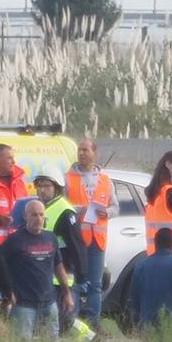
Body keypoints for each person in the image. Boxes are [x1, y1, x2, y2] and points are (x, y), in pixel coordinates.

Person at [64, 139, 116, 331]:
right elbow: (64, 205)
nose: (82, 153)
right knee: (77, 282)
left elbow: (115, 206)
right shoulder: (69, 177)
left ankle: (94, 324)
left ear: (95, 153)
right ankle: (73, 323)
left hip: (98, 239)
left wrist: (107, 212)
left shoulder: (105, 179)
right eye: (80, 150)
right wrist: (80, 209)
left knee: (95, 284)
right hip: (77, 238)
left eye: (86, 150)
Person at [0, 199, 66, 341]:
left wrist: (67, 292)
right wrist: (7, 292)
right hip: (24, 304)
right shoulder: (14, 240)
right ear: (25, 216)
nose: (39, 219)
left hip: (49, 302)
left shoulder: (51, 238)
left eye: (41, 215)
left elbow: (58, 266)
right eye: (34, 215)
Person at [34, 175, 88, 337]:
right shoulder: (42, 209)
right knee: (52, 323)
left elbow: (77, 246)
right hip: (46, 277)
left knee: (66, 322)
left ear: (57, 188)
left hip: (63, 278)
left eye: (47, 186)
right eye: (39, 186)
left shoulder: (65, 211)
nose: (42, 190)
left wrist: (82, 277)